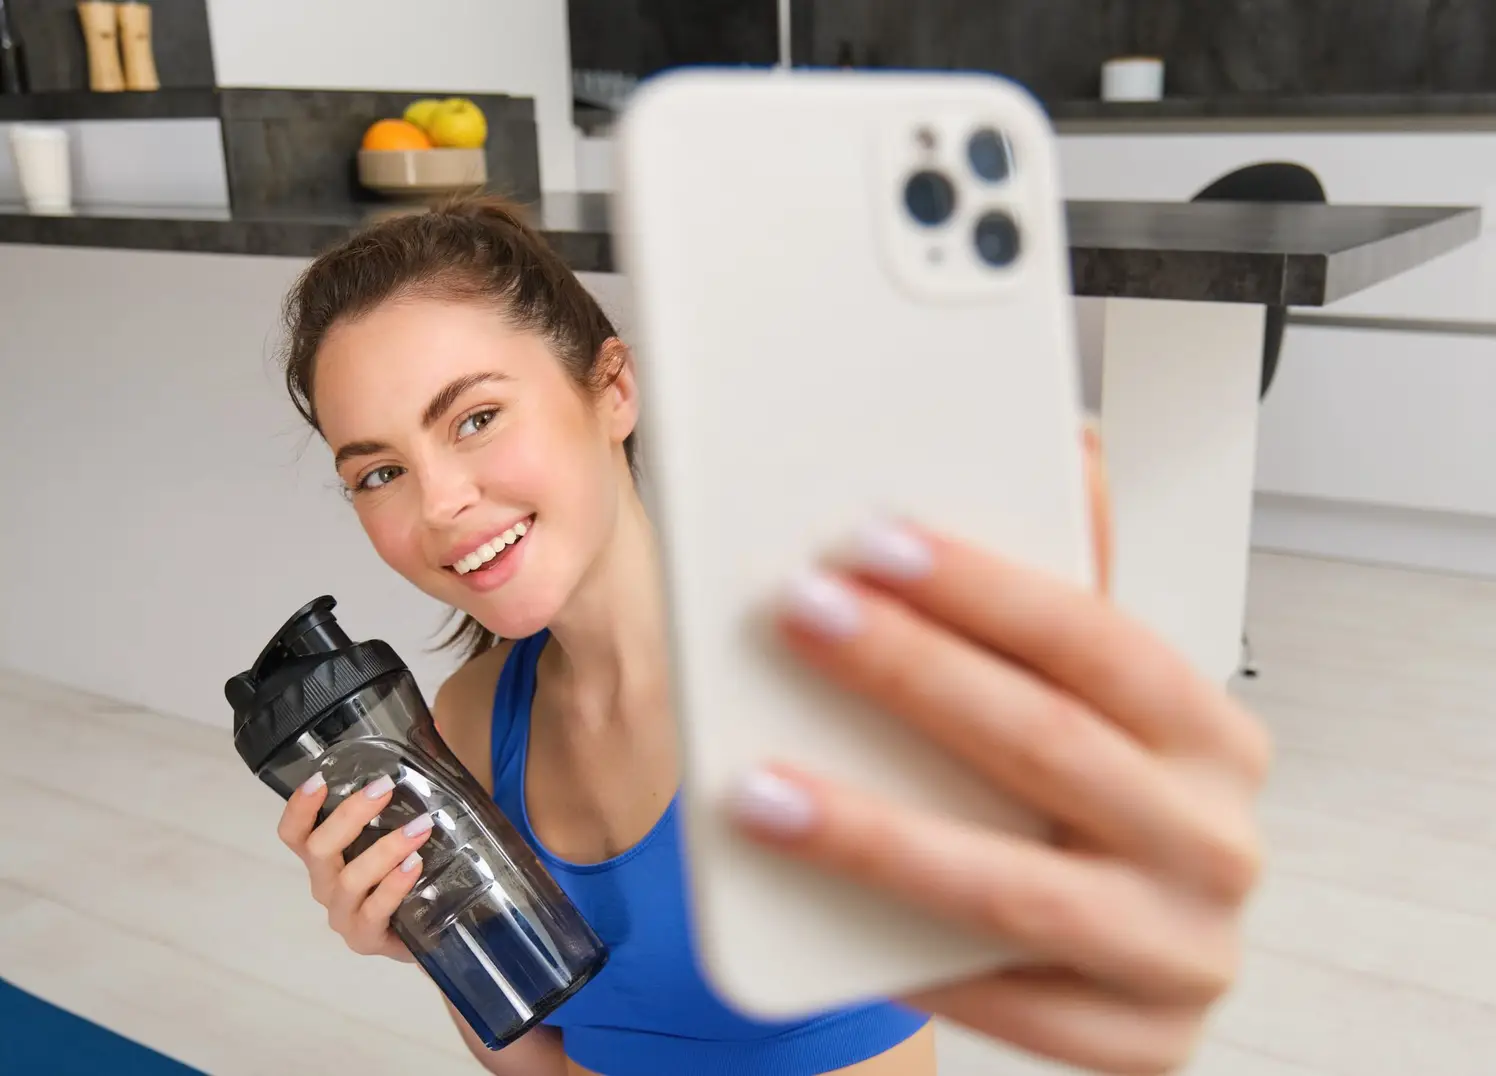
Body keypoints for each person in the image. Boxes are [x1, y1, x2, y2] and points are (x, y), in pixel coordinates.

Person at [270, 195, 1270, 1076]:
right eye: (379, 472)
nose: (440, 501)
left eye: (477, 417)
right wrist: (442, 940)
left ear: (612, 388)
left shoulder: (811, 693)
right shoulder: (477, 719)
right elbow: (552, 1063)